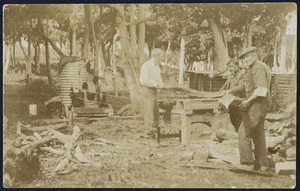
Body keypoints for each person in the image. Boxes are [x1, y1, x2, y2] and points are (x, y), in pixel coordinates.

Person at [238, 46, 272, 171]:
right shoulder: (255, 67)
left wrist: (248, 101)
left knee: (244, 132)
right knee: (258, 133)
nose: (245, 60)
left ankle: (248, 163)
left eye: (247, 57)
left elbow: (261, 89)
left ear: (254, 55)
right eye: (243, 58)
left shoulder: (257, 67)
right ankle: (262, 163)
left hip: (258, 104)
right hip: (261, 104)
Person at [139, 48, 166, 138]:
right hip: (147, 90)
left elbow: (159, 79)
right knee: (149, 112)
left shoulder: (156, 66)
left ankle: (154, 131)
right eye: (161, 57)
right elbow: (144, 80)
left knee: (155, 111)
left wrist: (162, 86)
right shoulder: (146, 66)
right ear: (156, 56)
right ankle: (148, 132)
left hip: (154, 91)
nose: (162, 59)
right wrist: (156, 84)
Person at [219, 59, 246, 132]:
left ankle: (242, 136)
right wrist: (219, 92)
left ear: (237, 66)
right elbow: (225, 85)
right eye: (229, 67)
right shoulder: (230, 75)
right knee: (233, 120)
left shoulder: (242, 75)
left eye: (232, 66)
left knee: (239, 120)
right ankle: (237, 135)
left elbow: (241, 87)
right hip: (230, 101)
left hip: (238, 101)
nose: (231, 68)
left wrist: (229, 91)